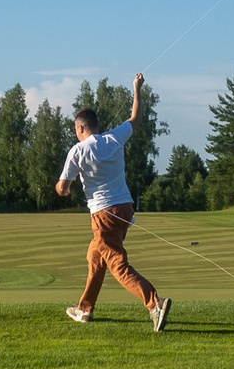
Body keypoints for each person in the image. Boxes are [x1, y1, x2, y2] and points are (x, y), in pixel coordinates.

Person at [56, 72, 170, 331]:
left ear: (81, 128)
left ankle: (155, 304)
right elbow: (136, 119)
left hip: (103, 214)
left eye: (76, 130)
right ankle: (85, 309)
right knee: (95, 257)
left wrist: (64, 188)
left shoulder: (77, 150)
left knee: (117, 264)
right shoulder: (113, 138)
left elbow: (62, 188)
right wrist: (137, 88)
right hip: (125, 209)